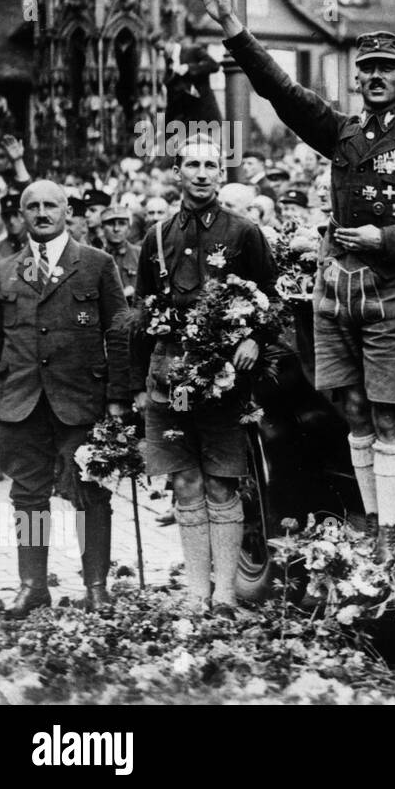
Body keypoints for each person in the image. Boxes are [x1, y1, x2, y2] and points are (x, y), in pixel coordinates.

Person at [192, 0, 395, 561]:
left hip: (393, 290)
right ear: (356, 75)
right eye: (365, 69)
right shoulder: (341, 132)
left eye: (386, 68)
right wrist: (234, 29)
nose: (375, 78)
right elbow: (281, 92)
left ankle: (390, 534)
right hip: (337, 292)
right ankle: (371, 520)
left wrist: (386, 236)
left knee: (390, 410)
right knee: (352, 407)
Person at [131, 137, 278, 614]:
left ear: (221, 174)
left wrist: (255, 337)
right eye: (191, 164)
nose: (200, 173)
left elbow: (272, 298)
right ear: (177, 173)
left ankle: (225, 594)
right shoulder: (156, 237)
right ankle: (197, 592)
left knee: (222, 483)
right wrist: (137, 386)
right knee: (186, 483)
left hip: (224, 378)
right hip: (170, 378)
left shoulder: (244, 232)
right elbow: (142, 314)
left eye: (210, 165)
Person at [0, 180, 130, 617]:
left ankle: (97, 586)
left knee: (90, 493)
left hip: (81, 399)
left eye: (51, 205)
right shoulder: (7, 269)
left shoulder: (96, 264)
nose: (42, 213)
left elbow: (118, 332)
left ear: (67, 211)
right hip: (21, 399)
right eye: (33, 206)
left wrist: (118, 398)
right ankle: (33, 585)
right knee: (27, 495)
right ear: (21, 215)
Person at [100, 204, 141, 302]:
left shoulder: (140, 254)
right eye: (110, 224)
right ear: (102, 228)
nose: (116, 229)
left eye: (122, 223)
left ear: (129, 228)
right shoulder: (95, 257)